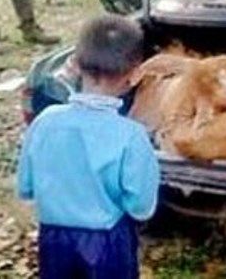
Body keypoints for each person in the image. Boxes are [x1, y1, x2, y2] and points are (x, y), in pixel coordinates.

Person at [17, 14, 159, 278]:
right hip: (108, 242)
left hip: (53, 239)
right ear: (135, 74)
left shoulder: (44, 122)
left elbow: (26, 187)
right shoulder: (132, 136)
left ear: (74, 64)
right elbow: (141, 206)